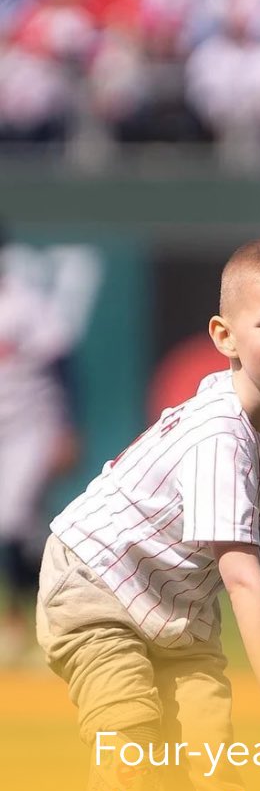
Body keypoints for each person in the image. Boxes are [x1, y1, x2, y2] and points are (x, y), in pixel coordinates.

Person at [36, 236, 260, 791]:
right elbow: (244, 578)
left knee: (211, 763)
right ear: (225, 337)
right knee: (131, 734)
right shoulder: (221, 436)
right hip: (95, 582)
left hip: (175, 607)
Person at [0, 239, 86, 665]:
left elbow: (62, 363)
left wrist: (67, 428)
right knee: (22, 530)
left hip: (28, 429)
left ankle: (28, 626)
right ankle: (37, 624)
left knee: (14, 523)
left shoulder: (22, 302)